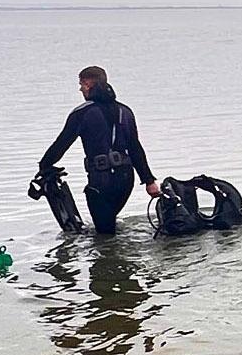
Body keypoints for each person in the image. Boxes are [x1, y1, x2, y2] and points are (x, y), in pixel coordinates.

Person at [38, 66, 159, 236]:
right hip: (126, 180)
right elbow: (135, 148)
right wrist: (149, 181)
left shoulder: (82, 113)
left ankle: (107, 259)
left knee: (104, 236)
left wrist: (44, 166)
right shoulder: (125, 111)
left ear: (88, 84)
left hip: (100, 182)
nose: (80, 89)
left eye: (81, 84)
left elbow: (61, 144)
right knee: (108, 224)